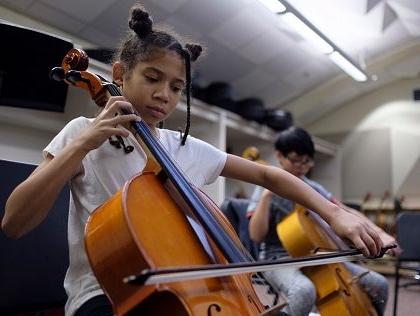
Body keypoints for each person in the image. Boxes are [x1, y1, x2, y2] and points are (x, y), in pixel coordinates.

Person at [1, 3, 385, 316]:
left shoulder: (182, 147)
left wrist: (336, 214)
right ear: (120, 73)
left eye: (176, 87)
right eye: (152, 78)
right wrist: (83, 144)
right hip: (105, 293)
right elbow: (15, 223)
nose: (164, 95)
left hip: (189, 288)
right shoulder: (82, 132)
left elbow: (268, 175)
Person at [248, 127, 398, 316]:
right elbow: (255, 234)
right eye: (295, 160)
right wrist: (266, 196)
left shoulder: (312, 187)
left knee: (379, 284)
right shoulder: (266, 184)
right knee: (303, 291)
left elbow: (345, 211)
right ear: (280, 156)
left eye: (307, 161)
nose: (302, 167)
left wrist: (381, 233)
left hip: (316, 255)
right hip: (278, 259)